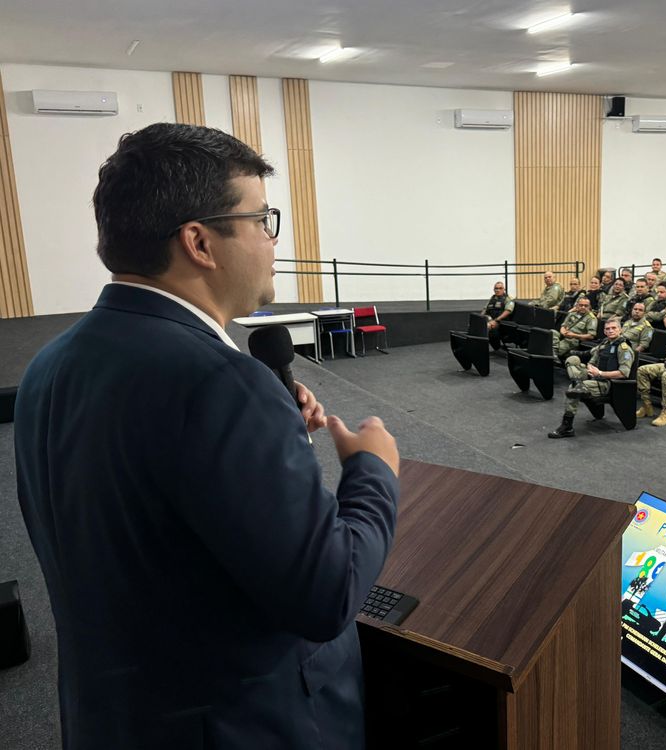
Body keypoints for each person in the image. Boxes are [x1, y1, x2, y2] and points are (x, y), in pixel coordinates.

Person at [14, 123, 400, 749]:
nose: (273, 242)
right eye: (261, 219)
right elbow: (327, 594)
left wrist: (261, 438)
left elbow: (144, 514)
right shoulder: (220, 383)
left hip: (115, 717)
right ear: (199, 241)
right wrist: (372, 470)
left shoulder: (52, 363)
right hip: (237, 726)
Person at [548, 317, 634, 438]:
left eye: (614, 328)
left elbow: (623, 373)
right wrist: (590, 368)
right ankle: (577, 382)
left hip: (607, 383)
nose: (610, 331)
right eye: (607, 329)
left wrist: (600, 373)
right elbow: (591, 361)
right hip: (595, 376)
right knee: (572, 360)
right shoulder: (604, 344)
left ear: (620, 330)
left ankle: (567, 426)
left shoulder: (624, 348)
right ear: (604, 331)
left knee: (572, 391)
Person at [482, 280, 515, 348]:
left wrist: (496, 320)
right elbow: (485, 309)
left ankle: (497, 348)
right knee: (478, 326)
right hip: (491, 320)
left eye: (500, 288)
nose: (498, 290)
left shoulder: (508, 299)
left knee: (490, 328)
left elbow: (508, 311)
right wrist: (480, 318)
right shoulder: (492, 298)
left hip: (502, 322)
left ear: (504, 289)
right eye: (496, 288)